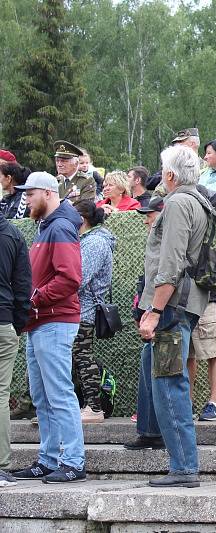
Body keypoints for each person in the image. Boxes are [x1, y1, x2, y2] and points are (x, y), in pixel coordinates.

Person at [135, 144, 210, 488]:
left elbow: (171, 263)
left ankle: (183, 468)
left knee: (169, 385)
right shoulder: (202, 201)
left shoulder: (179, 202)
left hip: (171, 307)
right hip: (185, 304)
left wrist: (154, 310)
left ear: (169, 175)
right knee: (164, 380)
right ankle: (176, 458)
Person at [10, 172, 86, 484]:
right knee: (42, 396)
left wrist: (36, 299)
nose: (25, 199)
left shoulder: (60, 226)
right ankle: (50, 458)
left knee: (59, 394)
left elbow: (70, 278)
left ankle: (73, 462)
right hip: (41, 321)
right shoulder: (49, 226)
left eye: (30, 193)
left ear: (47, 193)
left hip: (54, 320)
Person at [124, 196, 167, 450]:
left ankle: (157, 432)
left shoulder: (167, 240)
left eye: (149, 215)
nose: (146, 221)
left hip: (164, 314)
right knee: (148, 365)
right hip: (152, 311)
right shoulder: (156, 241)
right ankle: (149, 430)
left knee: (161, 372)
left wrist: (154, 311)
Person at [71, 200, 116, 424]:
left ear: (82, 219)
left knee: (82, 358)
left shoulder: (95, 243)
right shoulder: (87, 241)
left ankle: (94, 408)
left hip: (83, 311)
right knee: (76, 359)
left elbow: (79, 278)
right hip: (78, 310)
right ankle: (84, 405)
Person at [0, 204, 32, 487]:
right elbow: (23, 286)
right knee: (0, 393)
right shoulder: (12, 234)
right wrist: (17, 323)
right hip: (2, 320)